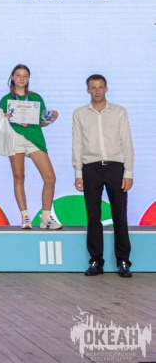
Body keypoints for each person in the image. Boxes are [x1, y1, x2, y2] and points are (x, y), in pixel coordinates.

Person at [72, 74, 134, 278]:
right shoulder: (80, 114)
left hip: (115, 167)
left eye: (100, 87)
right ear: (87, 90)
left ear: (106, 89)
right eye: (93, 87)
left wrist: (128, 172)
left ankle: (123, 261)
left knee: (120, 214)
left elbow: (126, 142)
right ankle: (96, 261)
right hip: (90, 168)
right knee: (93, 216)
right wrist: (78, 173)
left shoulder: (119, 112)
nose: (97, 91)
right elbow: (77, 144)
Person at [0, 64, 61, 230]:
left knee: (50, 178)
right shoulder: (6, 100)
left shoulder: (35, 98)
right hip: (15, 138)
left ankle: (46, 217)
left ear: (28, 79)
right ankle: (25, 216)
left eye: (25, 76)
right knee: (19, 176)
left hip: (34, 138)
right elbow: (1, 124)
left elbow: (41, 122)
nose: (21, 78)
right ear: (12, 77)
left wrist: (50, 119)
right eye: (18, 75)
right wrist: (5, 118)